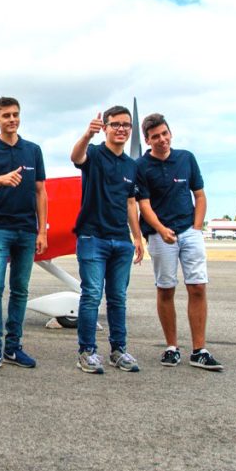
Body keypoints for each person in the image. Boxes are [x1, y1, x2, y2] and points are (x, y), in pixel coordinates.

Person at [136, 113, 223, 371]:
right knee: (166, 289)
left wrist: (197, 228)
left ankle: (199, 350)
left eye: (165, 133)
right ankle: (171, 347)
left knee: (198, 287)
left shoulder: (186, 158)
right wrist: (160, 229)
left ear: (170, 133)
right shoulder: (141, 166)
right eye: (155, 136)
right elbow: (143, 204)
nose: (162, 139)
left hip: (189, 231)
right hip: (160, 234)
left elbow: (200, 195)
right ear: (147, 140)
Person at [0, 97, 47, 372]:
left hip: (27, 230)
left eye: (15, 114)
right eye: (6, 115)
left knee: (20, 289)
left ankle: (13, 347)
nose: (12, 119)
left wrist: (42, 230)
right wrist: (1, 179)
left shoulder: (33, 150)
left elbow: (40, 192)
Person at [70, 106, 145, 375]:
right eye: (115, 124)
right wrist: (87, 135)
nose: (121, 129)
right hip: (93, 237)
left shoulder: (131, 165)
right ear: (105, 128)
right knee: (92, 295)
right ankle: (87, 351)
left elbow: (130, 202)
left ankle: (118, 350)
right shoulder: (93, 153)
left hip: (121, 240)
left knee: (118, 298)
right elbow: (75, 157)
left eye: (126, 125)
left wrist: (137, 236)